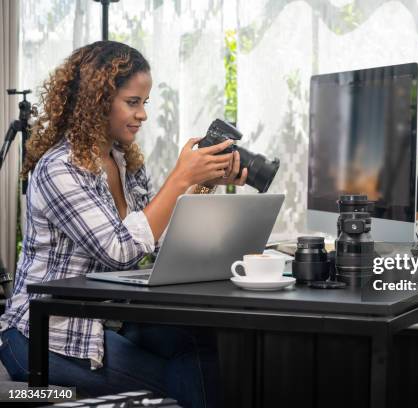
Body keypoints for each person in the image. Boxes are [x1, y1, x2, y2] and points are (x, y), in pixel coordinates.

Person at [0, 40, 247, 408]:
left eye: (144, 103)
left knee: (199, 340)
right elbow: (119, 251)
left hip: (107, 317)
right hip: (45, 335)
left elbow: (156, 242)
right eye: (133, 102)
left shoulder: (125, 162)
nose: (143, 114)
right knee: (179, 378)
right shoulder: (59, 168)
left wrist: (204, 181)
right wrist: (179, 178)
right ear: (98, 101)